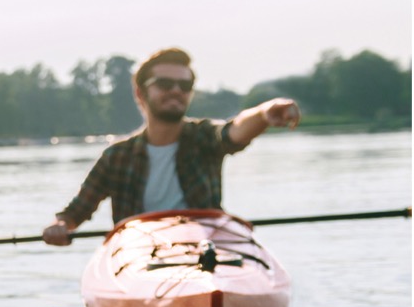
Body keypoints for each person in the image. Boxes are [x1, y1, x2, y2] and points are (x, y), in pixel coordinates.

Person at [42, 47, 302, 245]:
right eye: (165, 84)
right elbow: (75, 213)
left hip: (205, 249)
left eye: (184, 85)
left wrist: (264, 113)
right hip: (139, 254)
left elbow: (234, 131)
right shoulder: (116, 156)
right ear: (141, 93)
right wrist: (60, 226)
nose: (176, 90)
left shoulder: (204, 137)